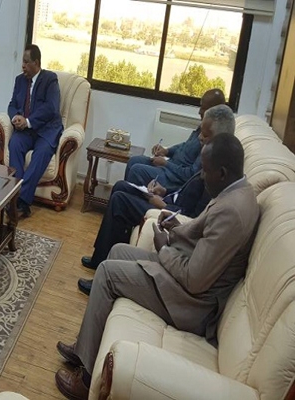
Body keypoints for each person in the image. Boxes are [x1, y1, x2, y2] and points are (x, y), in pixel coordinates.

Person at [54, 134, 259, 400]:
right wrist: (177, 229)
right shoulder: (236, 191)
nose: (201, 176)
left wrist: (163, 248)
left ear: (222, 172)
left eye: (206, 171)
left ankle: (86, 381)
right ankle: (85, 348)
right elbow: (204, 240)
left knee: (107, 274)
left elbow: (195, 279)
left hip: (191, 302)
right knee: (117, 251)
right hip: (184, 274)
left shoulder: (233, 210)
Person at [78, 105, 235, 294]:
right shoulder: (210, 155)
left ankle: (105, 273)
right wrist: (164, 191)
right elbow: (187, 191)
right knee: (120, 186)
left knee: (120, 200)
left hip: (168, 211)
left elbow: (193, 217)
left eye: (206, 135)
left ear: (220, 137)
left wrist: (164, 204)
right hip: (169, 199)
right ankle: (100, 258)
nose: (200, 138)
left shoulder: (216, 172)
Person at [125, 89, 226, 191]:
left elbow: (191, 174)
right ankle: (123, 195)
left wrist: (165, 164)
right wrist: (166, 151)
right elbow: (185, 145)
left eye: (203, 108)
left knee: (136, 170)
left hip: (174, 179)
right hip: (171, 166)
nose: (199, 111)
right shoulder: (203, 126)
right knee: (133, 160)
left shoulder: (212, 139)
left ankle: (130, 198)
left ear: (215, 111)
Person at [6, 44, 63, 218]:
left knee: (42, 153)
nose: (22, 66)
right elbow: (12, 104)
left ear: (36, 63)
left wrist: (29, 121)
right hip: (25, 131)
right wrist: (15, 117)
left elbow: (51, 108)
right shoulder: (20, 80)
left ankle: (20, 200)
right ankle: (16, 198)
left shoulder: (50, 80)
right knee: (15, 144)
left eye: (26, 62)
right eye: (22, 62)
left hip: (46, 130)